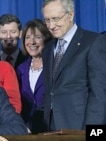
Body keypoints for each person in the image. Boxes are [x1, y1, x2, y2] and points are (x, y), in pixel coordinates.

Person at [41, 0, 106, 131]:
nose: (51, 25)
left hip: (80, 125)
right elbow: (51, 92)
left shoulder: (93, 42)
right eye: (47, 20)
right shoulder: (47, 49)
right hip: (51, 128)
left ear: (70, 15)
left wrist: (92, 131)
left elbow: (99, 93)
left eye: (55, 19)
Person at [17, 19, 52, 134]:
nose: (32, 42)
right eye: (27, 37)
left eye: (37, 37)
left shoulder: (54, 65)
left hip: (51, 127)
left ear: (46, 39)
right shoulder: (21, 69)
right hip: (27, 129)